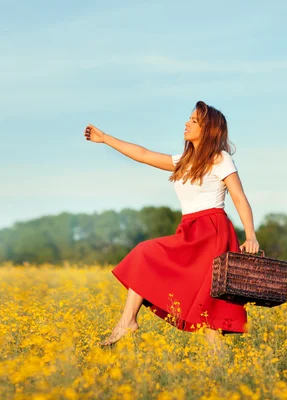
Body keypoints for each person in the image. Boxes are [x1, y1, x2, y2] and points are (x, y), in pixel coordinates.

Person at [83, 100, 260, 347]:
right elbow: (143, 155)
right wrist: (105, 139)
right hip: (189, 230)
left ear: (208, 129)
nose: (187, 123)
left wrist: (250, 236)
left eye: (194, 121)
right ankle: (128, 322)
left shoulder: (220, 159)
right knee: (146, 256)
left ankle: (219, 376)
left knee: (212, 309)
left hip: (212, 233)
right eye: (189, 119)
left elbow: (239, 198)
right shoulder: (184, 161)